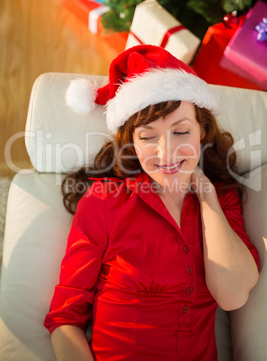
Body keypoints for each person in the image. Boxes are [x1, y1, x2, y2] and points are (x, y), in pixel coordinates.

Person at [44, 45, 259, 360]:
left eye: (181, 131)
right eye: (148, 137)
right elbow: (65, 318)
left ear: (202, 131)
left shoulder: (223, 200)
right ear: (132, 144)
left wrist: (205, 192)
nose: (167, 151)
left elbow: (232, 295)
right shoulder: (105, 200)